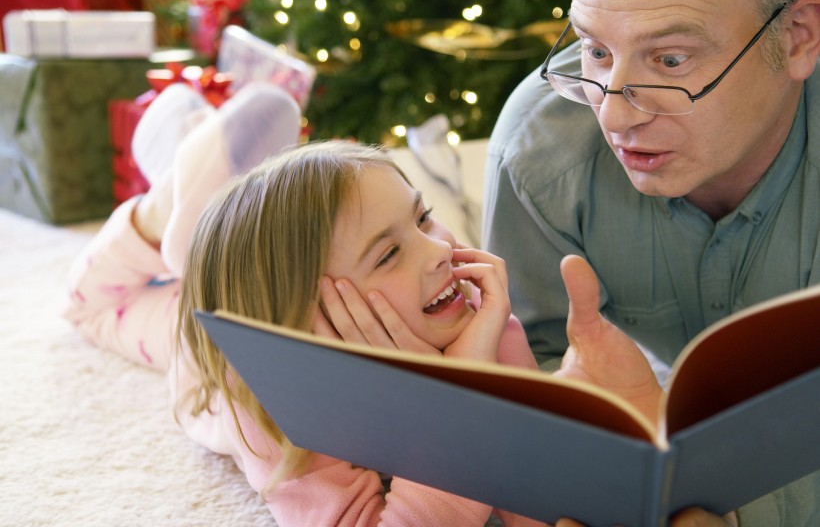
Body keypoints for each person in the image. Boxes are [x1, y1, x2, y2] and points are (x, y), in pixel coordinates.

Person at [66, 80, 650, 525]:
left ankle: (208, 165)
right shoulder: (272, 412)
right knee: (92, 305)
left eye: (422, 217)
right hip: (204, 341)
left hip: (270, 275)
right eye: (388, 254)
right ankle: (170, 196)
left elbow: (522, 487)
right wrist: (463, 393)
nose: (438, 251)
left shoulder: (471, 314)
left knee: (257, 220)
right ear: (311, 322)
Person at [483, 0, 820, 525]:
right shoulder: (538, 154)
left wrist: (704, 498)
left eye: (669, 60)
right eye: (595, 51)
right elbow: (533, 364)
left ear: (799, 36)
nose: (614, 120)